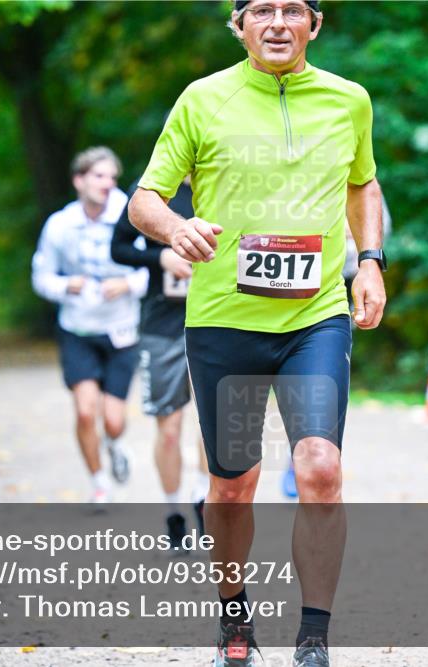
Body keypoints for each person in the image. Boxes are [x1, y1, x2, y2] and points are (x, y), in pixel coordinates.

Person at [128, 1, 386, 664]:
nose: (278, 22)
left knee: (320, 469)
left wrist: (370, 262)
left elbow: (364, 186)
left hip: (314, 317)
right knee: (232, 485)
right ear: (238, 25)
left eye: (292, 10)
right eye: (262, 10)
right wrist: (174, 228)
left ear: (315, 24)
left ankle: (314, 638)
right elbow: (145, 198)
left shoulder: (348, 100)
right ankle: (234, 621)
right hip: (224, 321)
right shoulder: (202, 99)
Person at [31, 146, 149, 505]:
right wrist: (67, 285)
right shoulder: (60, 225)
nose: (107, 184)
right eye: (99, 176)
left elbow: (151, 271)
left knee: (113, 420)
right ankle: (99, 482)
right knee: (85, 411)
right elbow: (41, 277)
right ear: (79, 180)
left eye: (112, 177)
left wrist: (126, 285)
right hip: (78, 330)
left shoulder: (131, 216)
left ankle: (114, 444)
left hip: (121, 330)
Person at [111, 174, 210, 549]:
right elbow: (117, 248)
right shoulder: (155, 186)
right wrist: (162, 257)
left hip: (218, 318)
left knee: (212, 422)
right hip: (163, 324)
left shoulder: (228, 179)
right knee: (169, 428)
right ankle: (174, 512)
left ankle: (202, 500)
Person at [281, 196, 391, 498]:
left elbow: (380, 235)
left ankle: (307, 452)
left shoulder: (362, 188)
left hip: (339, 291)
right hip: (288, 288)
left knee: (318, 383)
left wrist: (355, 247)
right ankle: (298, 451)